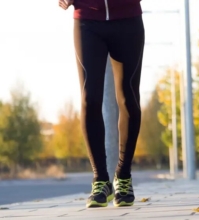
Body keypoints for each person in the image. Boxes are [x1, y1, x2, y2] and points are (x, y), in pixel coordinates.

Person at [59, 0, 144, 208]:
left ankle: (123, 177)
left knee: (128, 98)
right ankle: (100, 181)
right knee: (89, 98)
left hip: (128, 18)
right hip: (87, 19)